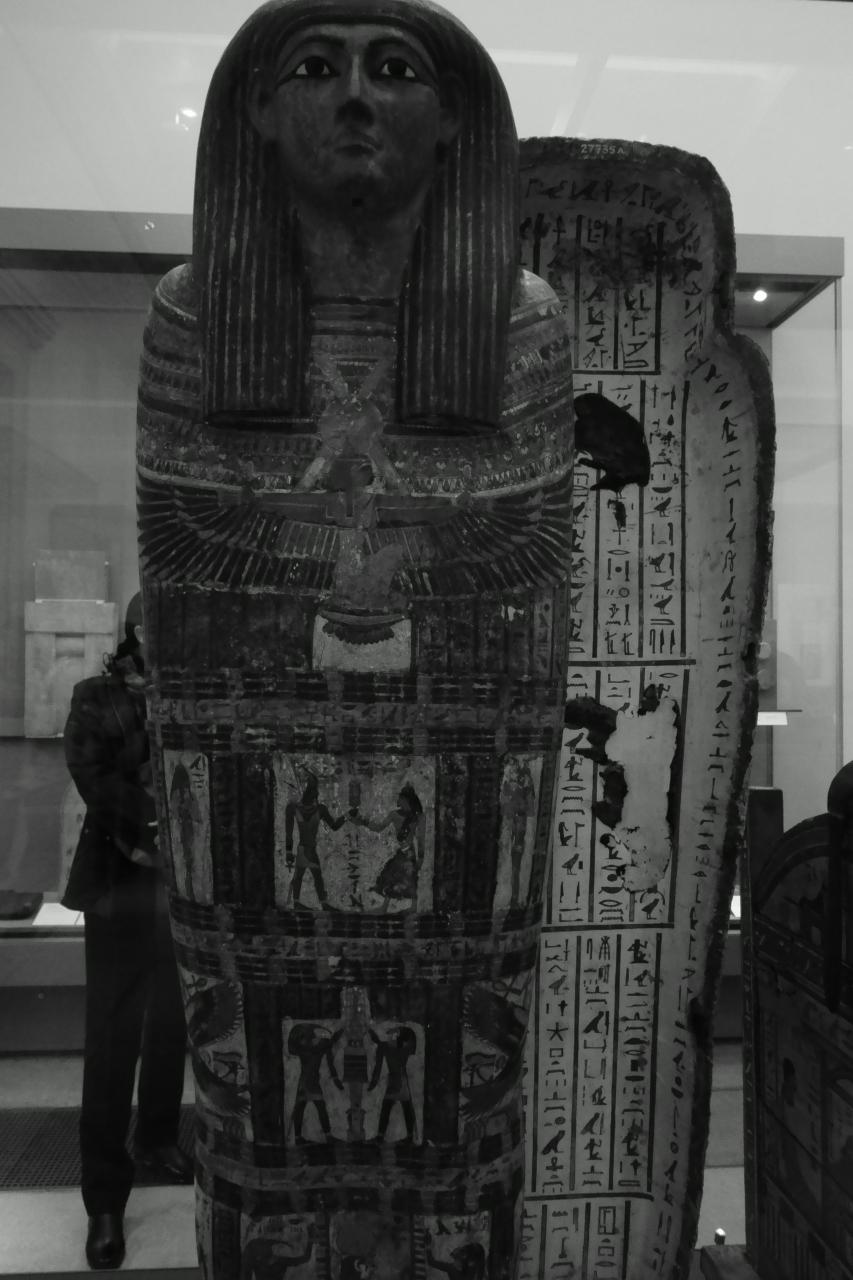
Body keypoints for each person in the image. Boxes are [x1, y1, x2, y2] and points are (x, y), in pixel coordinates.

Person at [62, 593, 191, 1270]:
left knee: (173, 1021)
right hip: (121, 881)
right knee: (112, 1040)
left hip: (184, 888)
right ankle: (105, 1198)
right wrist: (161, 824)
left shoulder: (197, 695)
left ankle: (159, 1136)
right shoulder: (97, 695)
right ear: (138, 631)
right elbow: (92, 775)